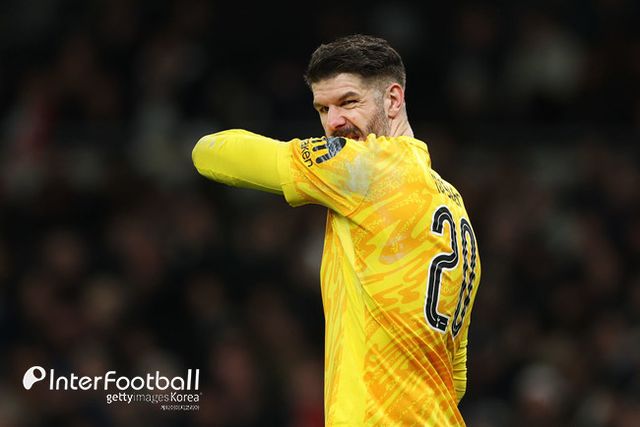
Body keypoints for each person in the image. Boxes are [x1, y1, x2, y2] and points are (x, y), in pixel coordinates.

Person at [192, 34, 481, 426]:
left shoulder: (367, 168)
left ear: (393, 100)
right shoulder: (452, 203)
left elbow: (211, 154)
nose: (333, 123)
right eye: (322, 109)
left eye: (348, 102)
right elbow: (456, 375)